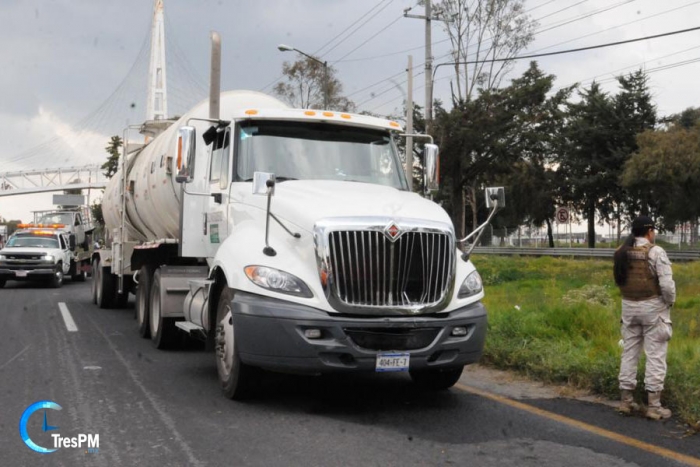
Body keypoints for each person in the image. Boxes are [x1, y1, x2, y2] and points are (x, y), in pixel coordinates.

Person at [613, 216, 676, 420]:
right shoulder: (656, 252)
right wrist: (669, 302)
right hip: (652, 308)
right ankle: (654, 406)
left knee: (629, 353)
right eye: (654, 231)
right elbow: (667, 286)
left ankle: (626, 401)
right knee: (655, 355)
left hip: (628, 308)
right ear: (649, 231)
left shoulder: (621, 252)